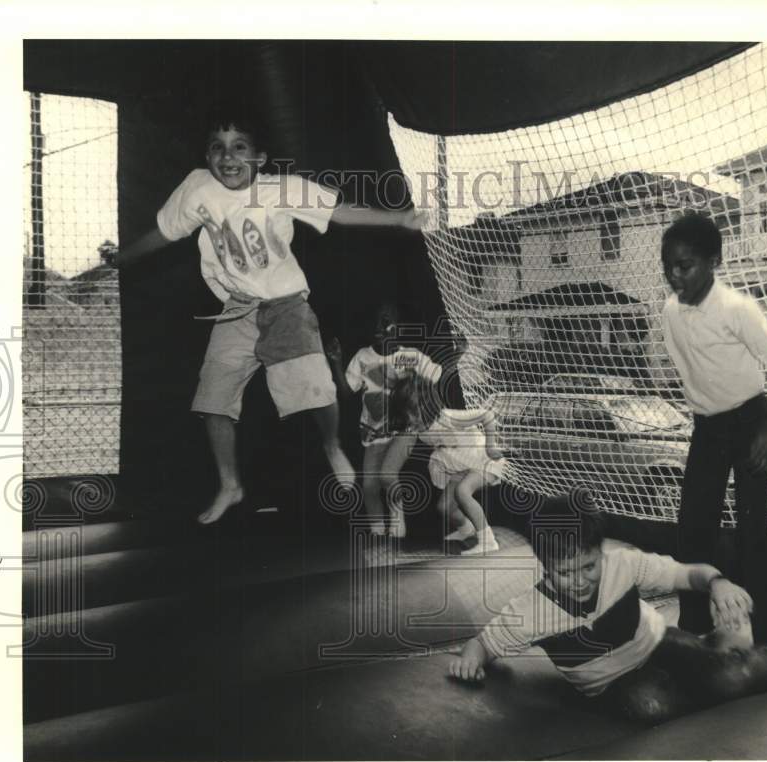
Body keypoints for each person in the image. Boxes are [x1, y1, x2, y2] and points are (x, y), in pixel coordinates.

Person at [110, 106, 425, 524]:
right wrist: (122, 257)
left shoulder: (281, 189)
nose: (227, 157)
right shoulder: (197, 190)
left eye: (239, 148)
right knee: (213, 400)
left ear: (259, 158)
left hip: (286, 303)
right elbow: (164, 233)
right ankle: (230, 484)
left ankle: (332, 446)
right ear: (207, 157)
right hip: (237, 308)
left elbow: (339, 211)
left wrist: (398, 218)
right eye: (217, 148)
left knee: (317, 390)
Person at [449, 490, 767, 724]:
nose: (581, 580)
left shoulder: (623, 564)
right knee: (650, 705)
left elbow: (686, 574)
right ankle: (718, 650)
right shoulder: (529, 612)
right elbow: (485, 643)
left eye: (589, 566)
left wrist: (717, 582)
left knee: (727, 678)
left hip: (659, 641)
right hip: (614, 682)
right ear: (545, 568)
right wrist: (471, 660)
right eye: (566, 573)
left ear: (601, 553)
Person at [659, 212, 767, 659]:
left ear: (714, 261)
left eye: (687, 266)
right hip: (707, 428)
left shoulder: (738, 309)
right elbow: (694, 374)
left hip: (750, 421)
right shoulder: (669, 311)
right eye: (670, 267)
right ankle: (696, 627)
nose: (676, 276)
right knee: (693, 530)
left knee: (753, 533)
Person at [326, 305, 443, 537]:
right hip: (373, 431)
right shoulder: (363, 357)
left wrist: (418, 396)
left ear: (396, 327)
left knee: (387, 475)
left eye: (385, 321)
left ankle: (398, 520)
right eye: (374, 323)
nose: (378, 327)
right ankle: (378, 531)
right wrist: (336, 362)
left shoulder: (410, 356)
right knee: (369, 487)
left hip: (405, 429)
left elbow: (437, 374)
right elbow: (347, 391)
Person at [388, 372, 507, 554]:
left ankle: (488, 541)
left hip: (484, 458)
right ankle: (467, 529)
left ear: (428, 406)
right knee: (444, 507)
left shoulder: (448, 418)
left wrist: (491, 445)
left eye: (414, 412)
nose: (410, 419)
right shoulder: (419, 429)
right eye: (407, 414)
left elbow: (487, 415)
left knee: (462, 492)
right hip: (462, 465)